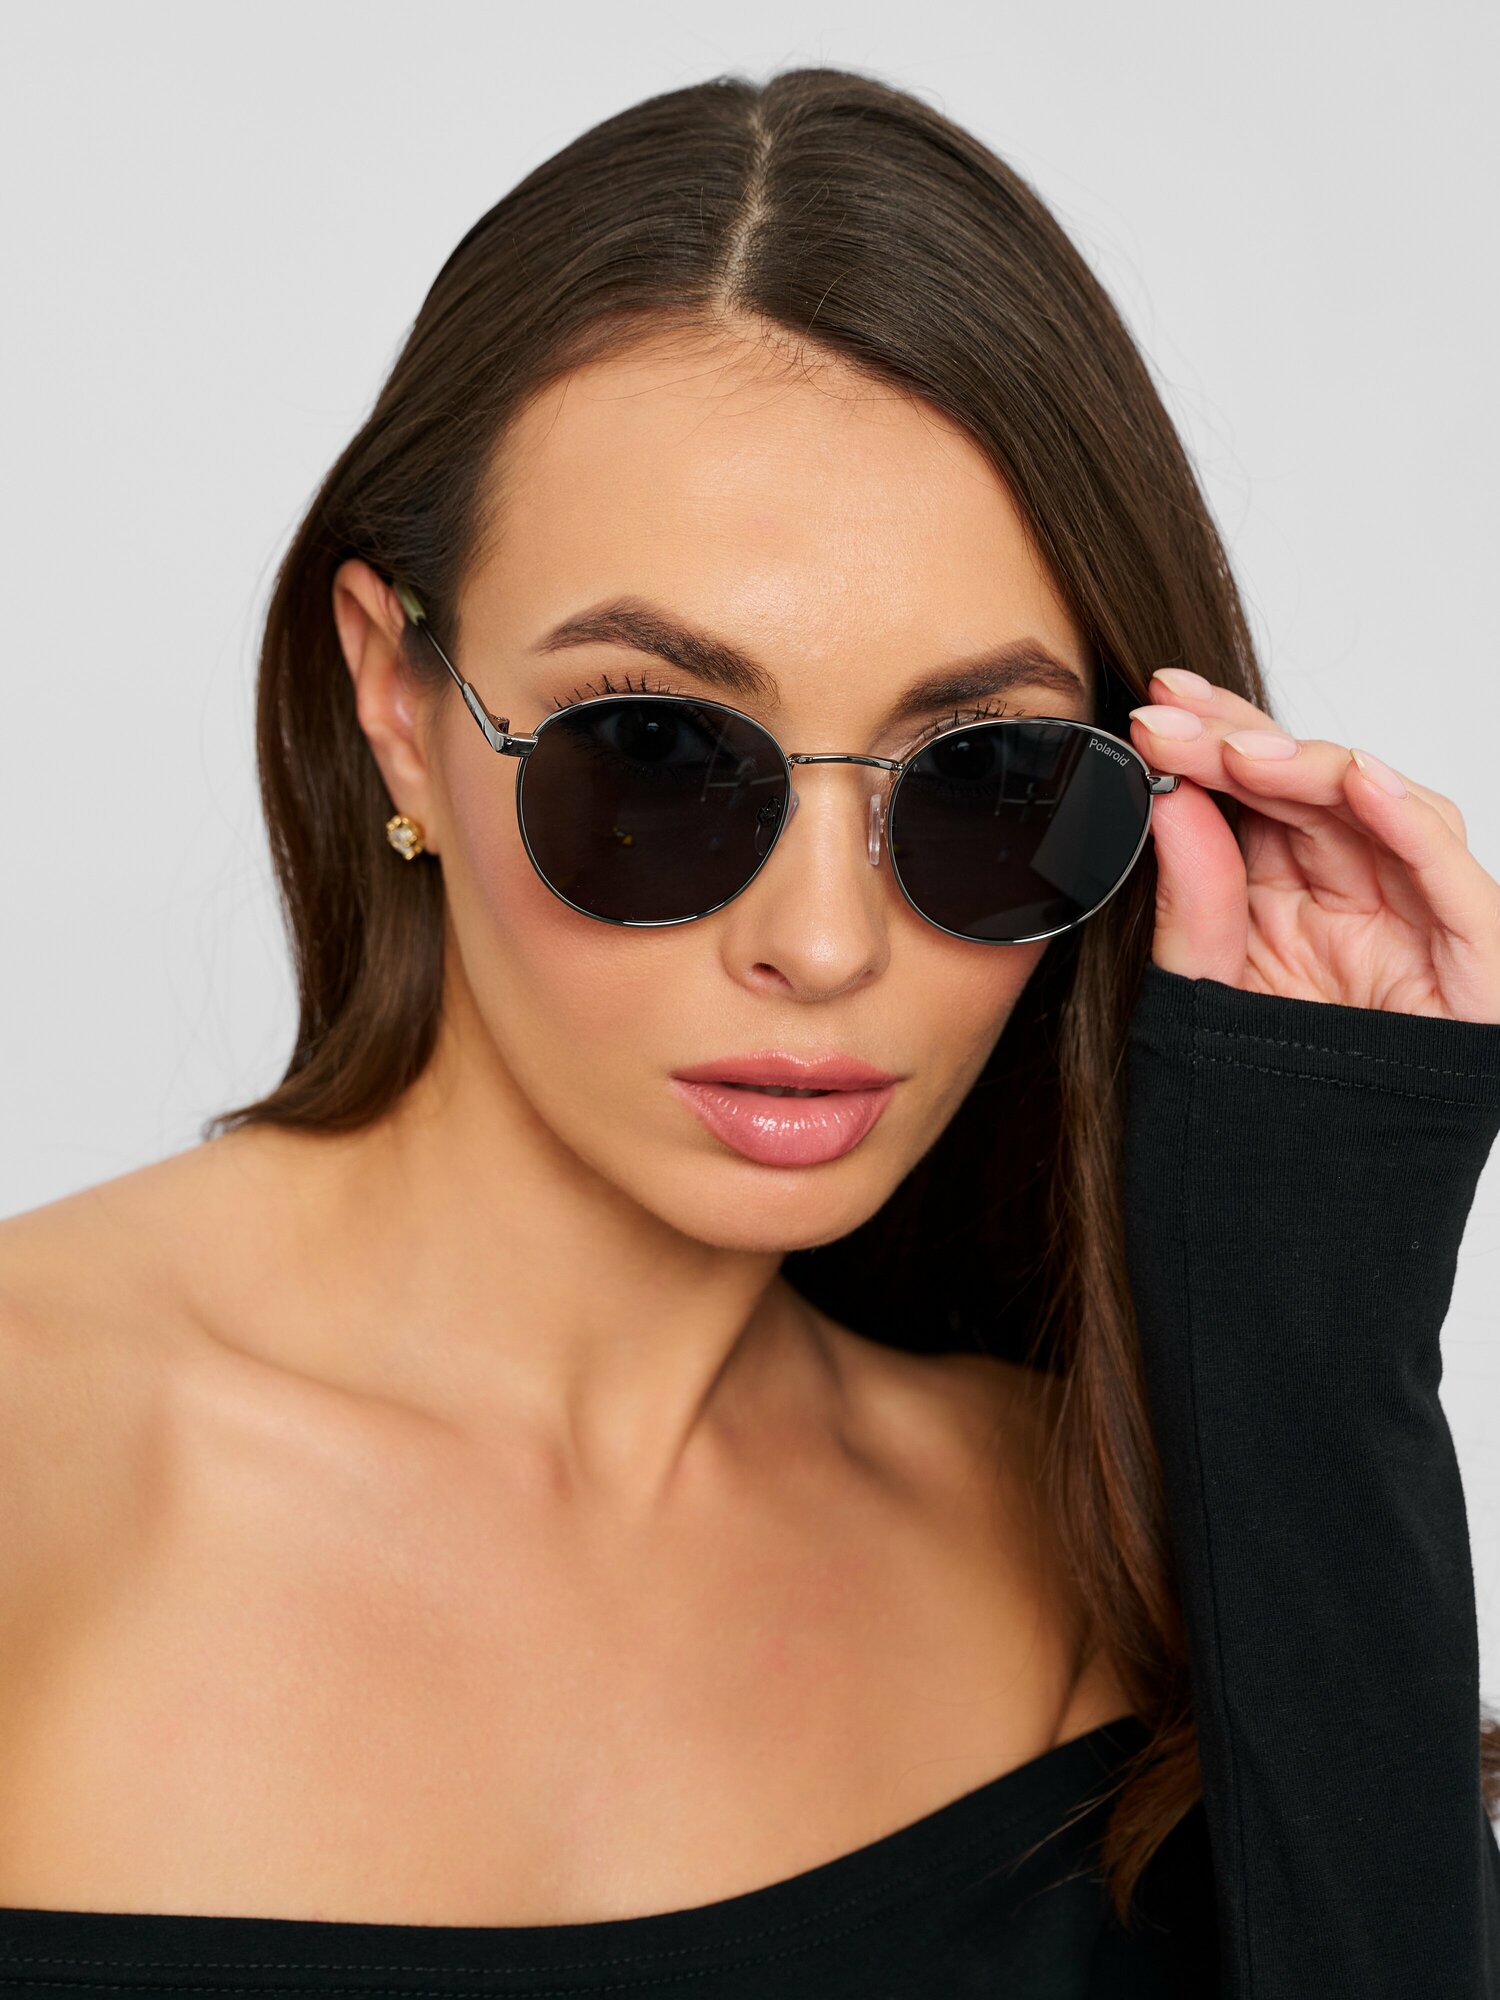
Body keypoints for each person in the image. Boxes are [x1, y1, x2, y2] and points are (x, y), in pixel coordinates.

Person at [1, 64, 1498, 1999]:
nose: (821, 943)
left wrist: (1317, 1302)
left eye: (983, 780)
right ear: (392, 699)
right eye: (655, 753)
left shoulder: (1100, 1550)